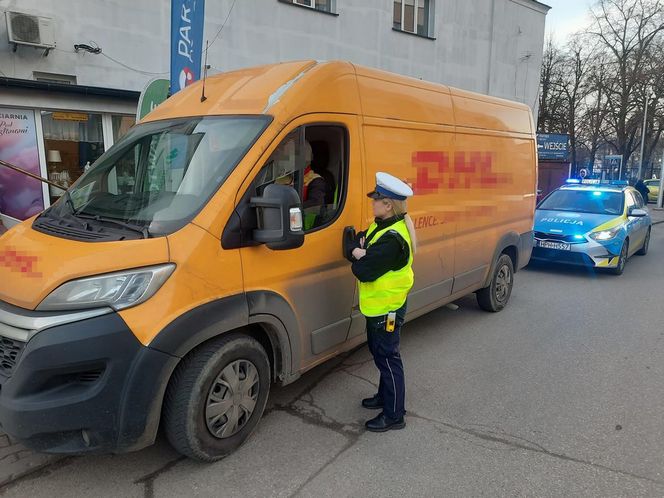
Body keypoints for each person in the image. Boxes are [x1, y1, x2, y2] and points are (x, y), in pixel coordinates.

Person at [348, 171, 417, 432]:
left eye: (376, 199)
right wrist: (359, 250)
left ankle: (394, 414)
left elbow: (362, 270)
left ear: (388, 204)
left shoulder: (392, 239)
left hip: (387, 308)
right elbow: (358, 239)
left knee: (388, 358)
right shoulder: (382, 224)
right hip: (378, 306)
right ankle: (383, 397)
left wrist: (358, 254)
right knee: (380, 355)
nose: (372, 203)